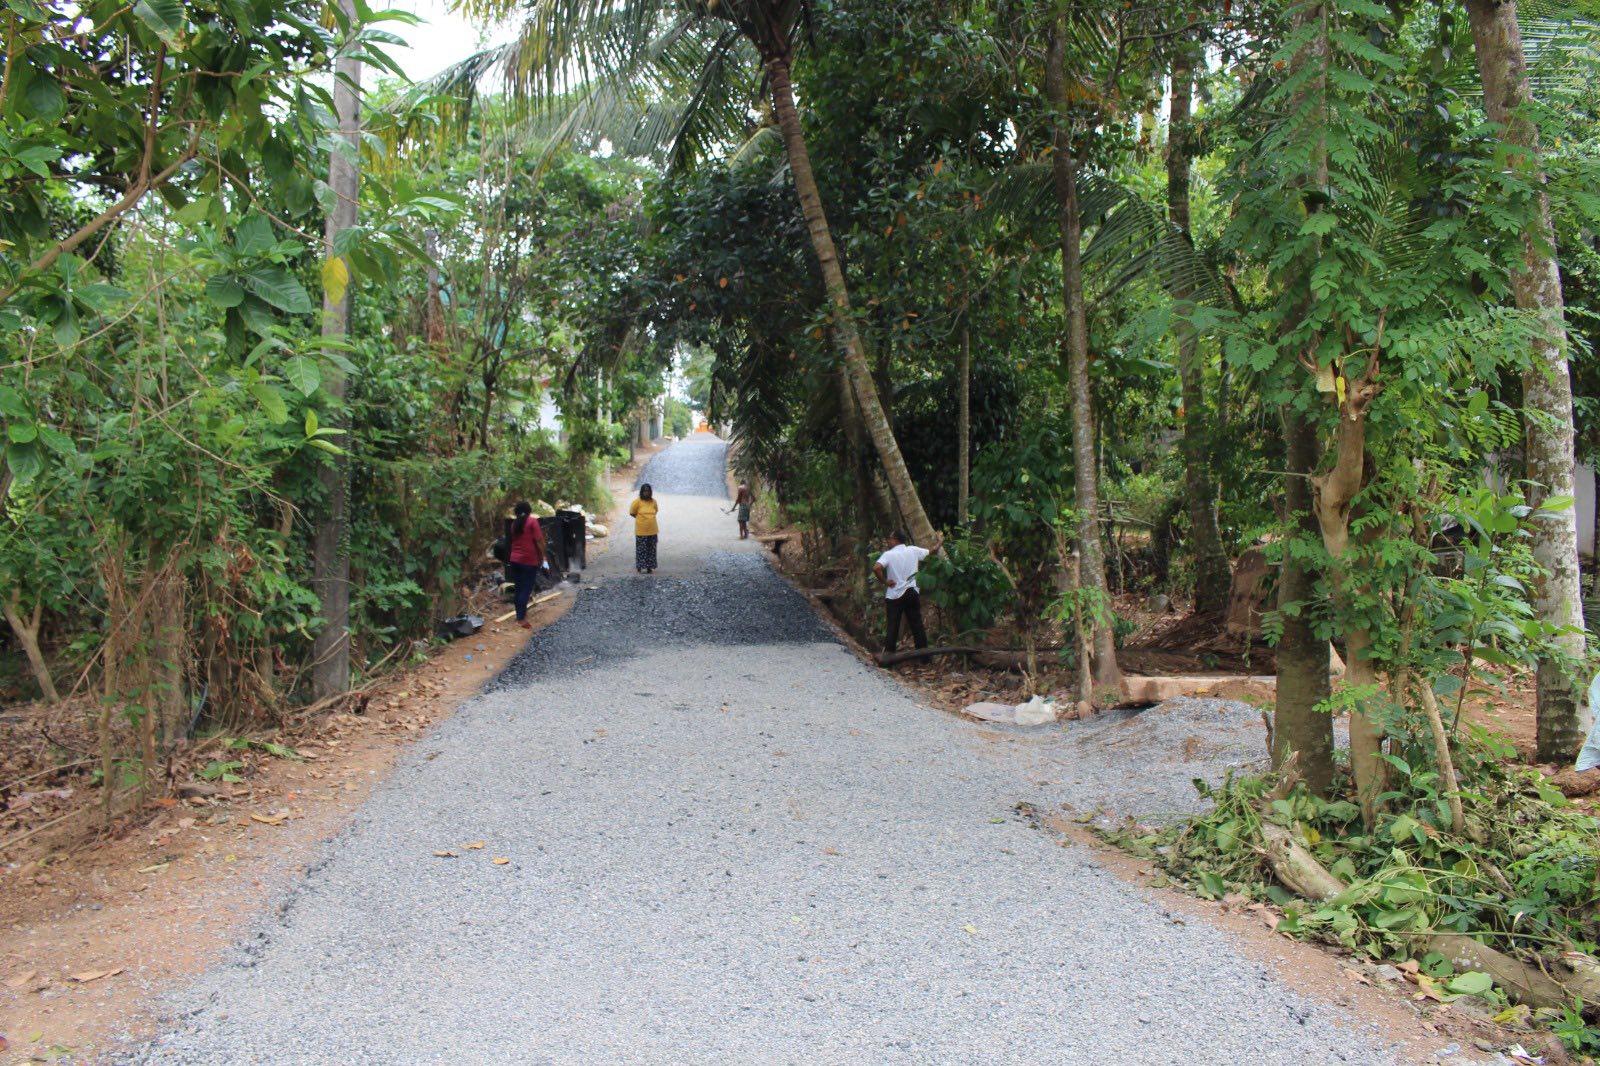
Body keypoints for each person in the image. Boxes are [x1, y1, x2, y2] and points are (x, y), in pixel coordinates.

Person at [873, 529, 943, 653]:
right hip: (912, 593)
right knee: (917, 625)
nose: (888, 541)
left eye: (890, 538)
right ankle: (924, 656)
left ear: (895, 540)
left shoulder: (889, 554)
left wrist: (885, 582)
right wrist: (940, 541)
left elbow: (876, 568)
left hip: (894, 595)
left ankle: (889, 656)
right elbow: (932, 551)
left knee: (893, 626)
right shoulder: (912, 550)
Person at [506, 501, 548, 630]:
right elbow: (539, 540)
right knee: (526, 589)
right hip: (528, 560)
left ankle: (519, 614)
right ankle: (521, 618)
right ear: (529, 511)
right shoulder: (532, 522)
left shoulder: (514, 524)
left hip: (514, 560)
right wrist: (543, 557)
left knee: (519, 588)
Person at [629, 483, 659, 574]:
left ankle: (649, 567)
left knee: (651, 549)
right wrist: (641, 519)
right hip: (641, 531)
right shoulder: (637, 502)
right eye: (645, 491)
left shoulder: (653, 502)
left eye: (648, 491)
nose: (647, 493)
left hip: (652, 530)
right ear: (641, 492)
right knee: (641, 550)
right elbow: (632, 512)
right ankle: (640, 567)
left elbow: (656, 511)